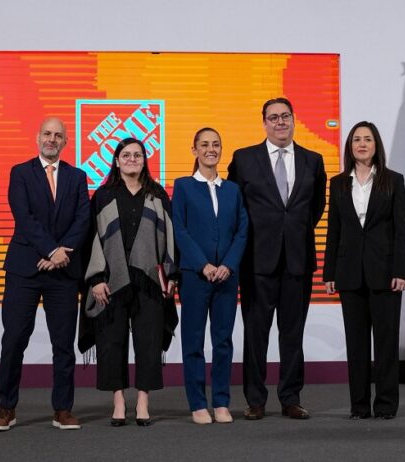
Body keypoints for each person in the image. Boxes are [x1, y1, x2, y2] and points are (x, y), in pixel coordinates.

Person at [227, 97, 326, 420]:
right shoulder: (244, 159)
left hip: (298, 259)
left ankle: (290, 397)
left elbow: (315, 208)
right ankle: (255, 400)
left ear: (294, 120)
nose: (280, 122)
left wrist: (291, 233)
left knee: (293, 334)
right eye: (273, 117)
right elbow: (235, 208)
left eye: (285, 116)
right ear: (264, 123)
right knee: (256, 334)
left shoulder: (313, 160)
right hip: (257, 261)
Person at [0, 117, 90, 431]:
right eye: (47, 133)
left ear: (65, 142)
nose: (52, 139)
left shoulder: (77, 176)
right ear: (37, 138)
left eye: (58, 135)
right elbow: (24, 217)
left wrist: (61, 254)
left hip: (63, 272)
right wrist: (51, 251)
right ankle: (6, 407)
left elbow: (83, 219)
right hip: (24, 269)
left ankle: (63, 409)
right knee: (14, 339)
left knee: (63, 344)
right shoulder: (20, 173)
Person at [81, 137, 178, 427]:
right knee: (112, 341)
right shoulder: (103, 195)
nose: (132, 159)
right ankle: (119, 401)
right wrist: (96, 279)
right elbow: (91, 238)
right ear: (116, 161)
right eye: (126, 155)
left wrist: (171, 275)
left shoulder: (158, 194)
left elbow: (171, 238)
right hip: (111, 280)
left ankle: (143, 401)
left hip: (149, 281)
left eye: (137, 155)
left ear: (144, 160)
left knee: (149, 341)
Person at [323, 121, 405, 420]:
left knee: (386, 343)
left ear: (376, 145)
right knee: (356, 345)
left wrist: (401, 271)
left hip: (386, 273)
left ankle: (385, 405)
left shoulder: (393, 180)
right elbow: (334, 230)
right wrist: (329, 273)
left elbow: (402, 230)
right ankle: (359, 406)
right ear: (350, 146)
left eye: (368, 139)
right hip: (349, 273)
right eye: (357, 139)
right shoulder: (337, 183)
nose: (362, 144)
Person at [171, 128, 248, 424]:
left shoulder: (233, 190)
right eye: (204, 145)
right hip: (195, 276)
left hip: (227, 276)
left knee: (223, 341)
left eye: (216, 144)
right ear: (194, 150)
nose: (210, 149)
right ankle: (197, 403)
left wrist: (229, 264)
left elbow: (242, 230)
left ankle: (221, 401)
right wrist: (202, 264)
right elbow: (180, 230)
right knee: (193, 341)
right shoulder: (183, 186)